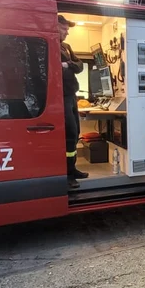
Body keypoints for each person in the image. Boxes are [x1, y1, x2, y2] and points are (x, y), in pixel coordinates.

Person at [58, 14, 86, 190]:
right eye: (64, 28)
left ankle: (72, 168)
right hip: (60, 97)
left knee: (76, 133)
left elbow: (80, 65)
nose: (67, 32)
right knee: (69, 134)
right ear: (55, 26)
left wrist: (68, 64)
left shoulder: (66, 47)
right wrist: (71, 64)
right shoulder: (49, 45)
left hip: (71, 96)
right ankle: (67, 175)